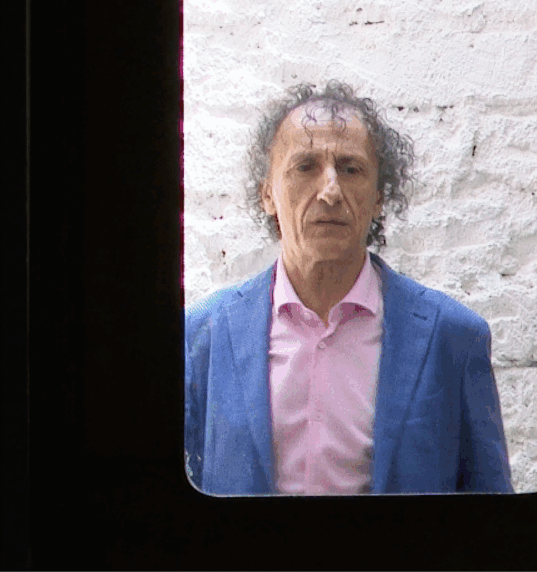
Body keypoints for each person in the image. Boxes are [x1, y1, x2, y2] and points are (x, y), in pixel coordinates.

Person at [185, 81, 512, 495]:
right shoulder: (202, 336)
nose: (330, 190)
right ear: (267, 194)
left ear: (378, 198)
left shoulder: (452, 337)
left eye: (350, 168)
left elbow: (493, 513)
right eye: (305, 166)